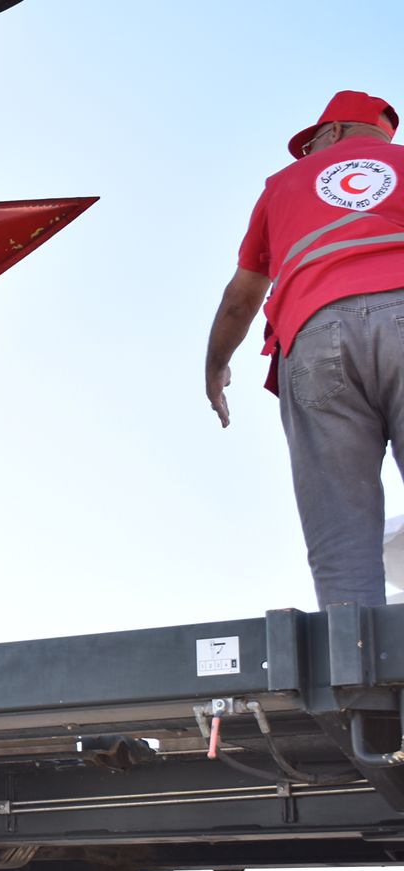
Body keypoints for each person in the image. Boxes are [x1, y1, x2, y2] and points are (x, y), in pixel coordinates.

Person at [205, 90, 404, 608]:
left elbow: (240, 297)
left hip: (314, 336)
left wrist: (216, 365)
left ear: (333, 131)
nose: (308, 154)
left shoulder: (282, 185)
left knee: (341, 538)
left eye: (311, 142)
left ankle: (362, 685)